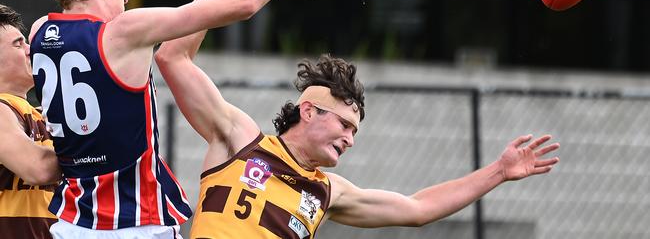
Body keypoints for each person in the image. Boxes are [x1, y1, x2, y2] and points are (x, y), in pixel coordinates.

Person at [30, 0, 361, 238]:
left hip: (73, 224)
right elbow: (244, 4)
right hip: (135, 224)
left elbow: (91, 6)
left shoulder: (41, 32)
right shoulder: (125, 32)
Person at [155, 56, 560, 236]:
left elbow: (417, 209)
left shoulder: (328, 191)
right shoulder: (241, 140)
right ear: (309, 111)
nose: (350, 139)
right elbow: (173, 57)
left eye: (356, 132)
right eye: (345, 124)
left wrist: (500, 171)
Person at [0, 4, 61, 238]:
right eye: (19, 44)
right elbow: (38, 168)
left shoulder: (36, 114)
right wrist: (91, 148)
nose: (30, 49)